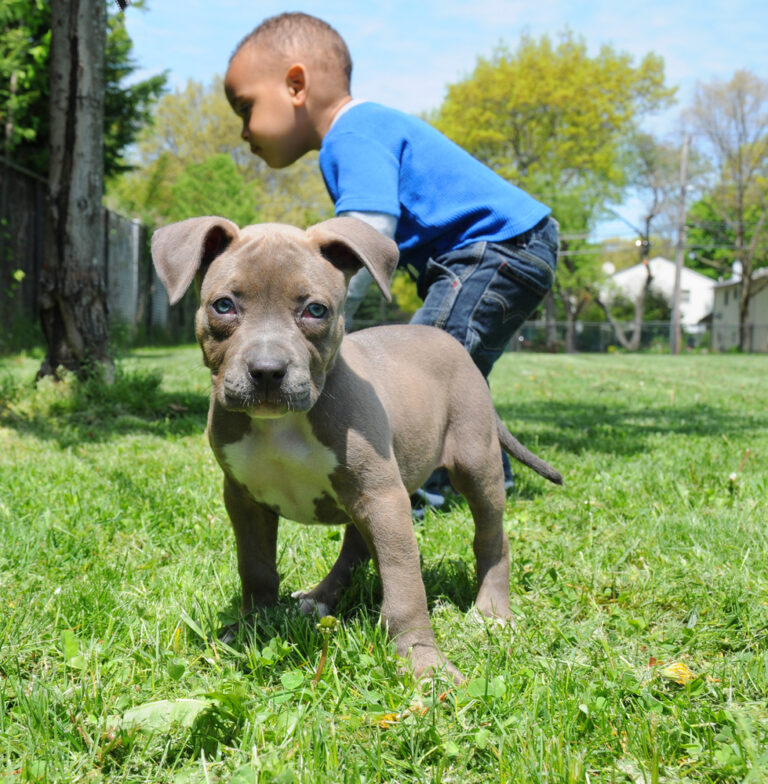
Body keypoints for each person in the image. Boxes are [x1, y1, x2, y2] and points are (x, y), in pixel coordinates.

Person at [224, 12, 559, 511]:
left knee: (434, 359)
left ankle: (423, 484)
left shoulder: (351, 135)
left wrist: (327, 315)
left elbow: (369, 228)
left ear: (295, 85)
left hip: (497, 248)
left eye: (244, 108)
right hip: (501, 248)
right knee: (452, 368)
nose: (245, 132)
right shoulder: (359, 133)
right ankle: (489, 473)